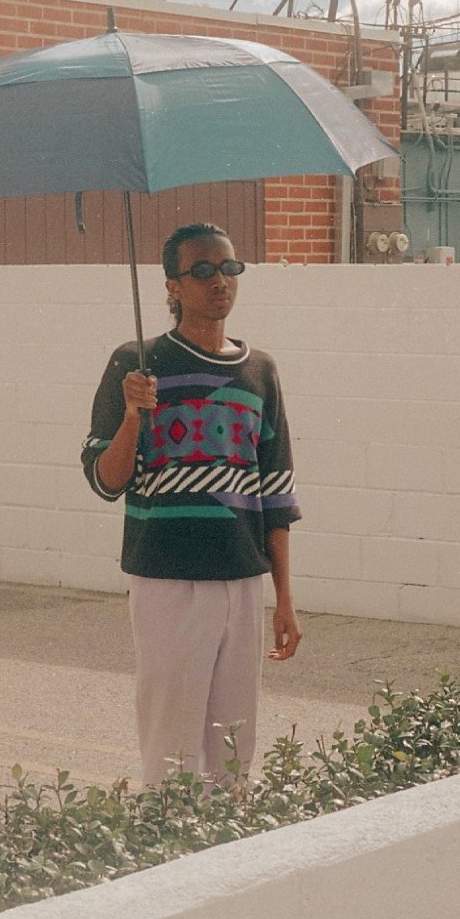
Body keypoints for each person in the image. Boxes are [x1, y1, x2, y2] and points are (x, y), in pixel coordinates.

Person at [82, 221, 302, 787]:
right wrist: (134, 413)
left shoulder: (261, 371)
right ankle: (164, 851)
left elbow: (274, 494)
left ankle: (227, 856)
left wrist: (284, 599)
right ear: (173, 286)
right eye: (201, 270)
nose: (219, 280)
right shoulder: (134, 362)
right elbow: (107, 481)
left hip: (241, 579)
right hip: (167, 577)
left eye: (229, 267)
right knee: (171, 746)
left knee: (233, 748)